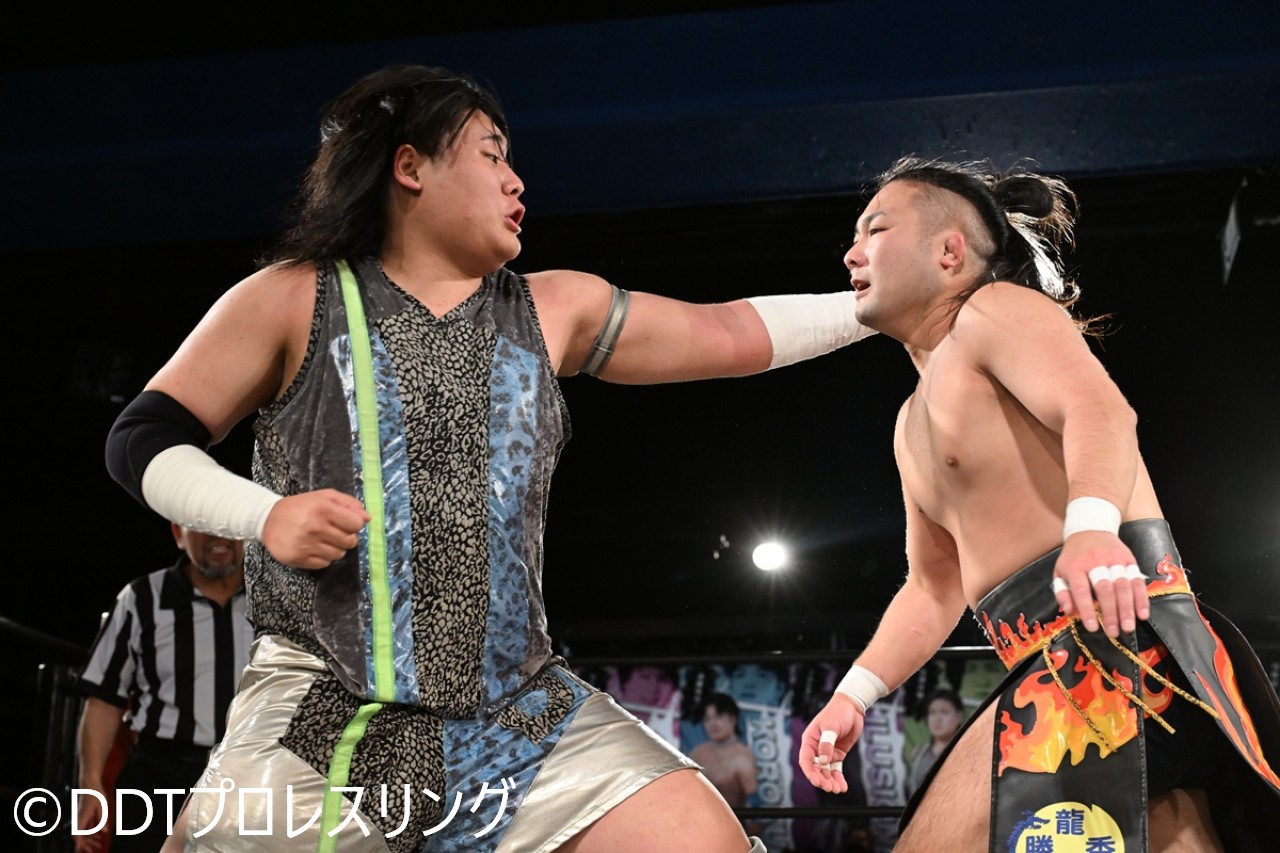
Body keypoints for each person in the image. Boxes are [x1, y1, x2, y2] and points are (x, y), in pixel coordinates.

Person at [103, 63, 876, 852]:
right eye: (491, 153)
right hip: (327, 707)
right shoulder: (294, 296)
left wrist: (879, 307)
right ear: (410, 166)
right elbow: (141, 439)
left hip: (517, 710)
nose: (516, 180)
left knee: (697, 836)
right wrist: (264, 514)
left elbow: (729, 331)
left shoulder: (553, 306)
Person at [798, 157, 1280, 851]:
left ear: (949, 252)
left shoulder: (993, 311)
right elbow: (933, 587)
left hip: (1115, 635)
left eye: (875, 230)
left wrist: (1091, 530)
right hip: (1051, 664)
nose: (852, 253)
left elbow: (1099, 408)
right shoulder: (908, 423)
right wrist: (855, 693)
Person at [75, 524, 252, 853]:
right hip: (159, 774)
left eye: (226, 524)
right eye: (202, 525)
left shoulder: (272, 600)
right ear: (178, 534)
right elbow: (104, 698)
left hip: (249, 774)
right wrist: (90, 784)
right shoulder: (142, 598)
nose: (218, 537)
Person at [690, 693, 759, 810]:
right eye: (707, 719)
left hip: (731, 818)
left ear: (732, 719)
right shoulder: (697, 753)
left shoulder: (743, 756)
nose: (713, 724)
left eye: (719, 717)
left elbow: (755, 804)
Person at [903, 688, 964, 796]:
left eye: (944, 712)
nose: (937, 719)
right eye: (932, 713)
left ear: (959, 717)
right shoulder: (918, 752)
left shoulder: (967, 752)